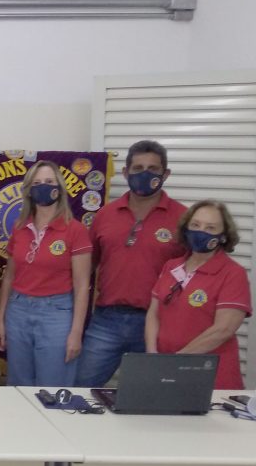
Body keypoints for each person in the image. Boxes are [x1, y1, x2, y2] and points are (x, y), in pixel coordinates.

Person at [75, 140, 187, 387]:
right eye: (138, 168)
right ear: (126, 173)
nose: (145, 174)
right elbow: (87, 267)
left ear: (165, 174)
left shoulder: (183, 218)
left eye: (153, 169)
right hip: (106, 320)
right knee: (80, 388)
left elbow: (192, 273)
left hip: (156, 322)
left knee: (150, 395)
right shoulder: (105, 214)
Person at [0, 161, 91, 386]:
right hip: (18, 311)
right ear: (29, 190)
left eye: (49, 181)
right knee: (19, 385)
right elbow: (9, 278)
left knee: (53, 385)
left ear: (59, 187)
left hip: (56, 314)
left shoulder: (75, 230)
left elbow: (82, 286)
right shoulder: (19, 227)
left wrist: (76, 332)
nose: (43, 187)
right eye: (37, 183)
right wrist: (1, 321)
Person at [146, 200, 251, 389]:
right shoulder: (171, 266)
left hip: (210, 375)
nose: (201, 232)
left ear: (223, 236)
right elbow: (154, 313)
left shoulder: (233, 273)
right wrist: (152, 354)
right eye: (195, 225)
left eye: (210, 228)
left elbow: (223, 329)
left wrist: (178, 361)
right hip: (165, 369)